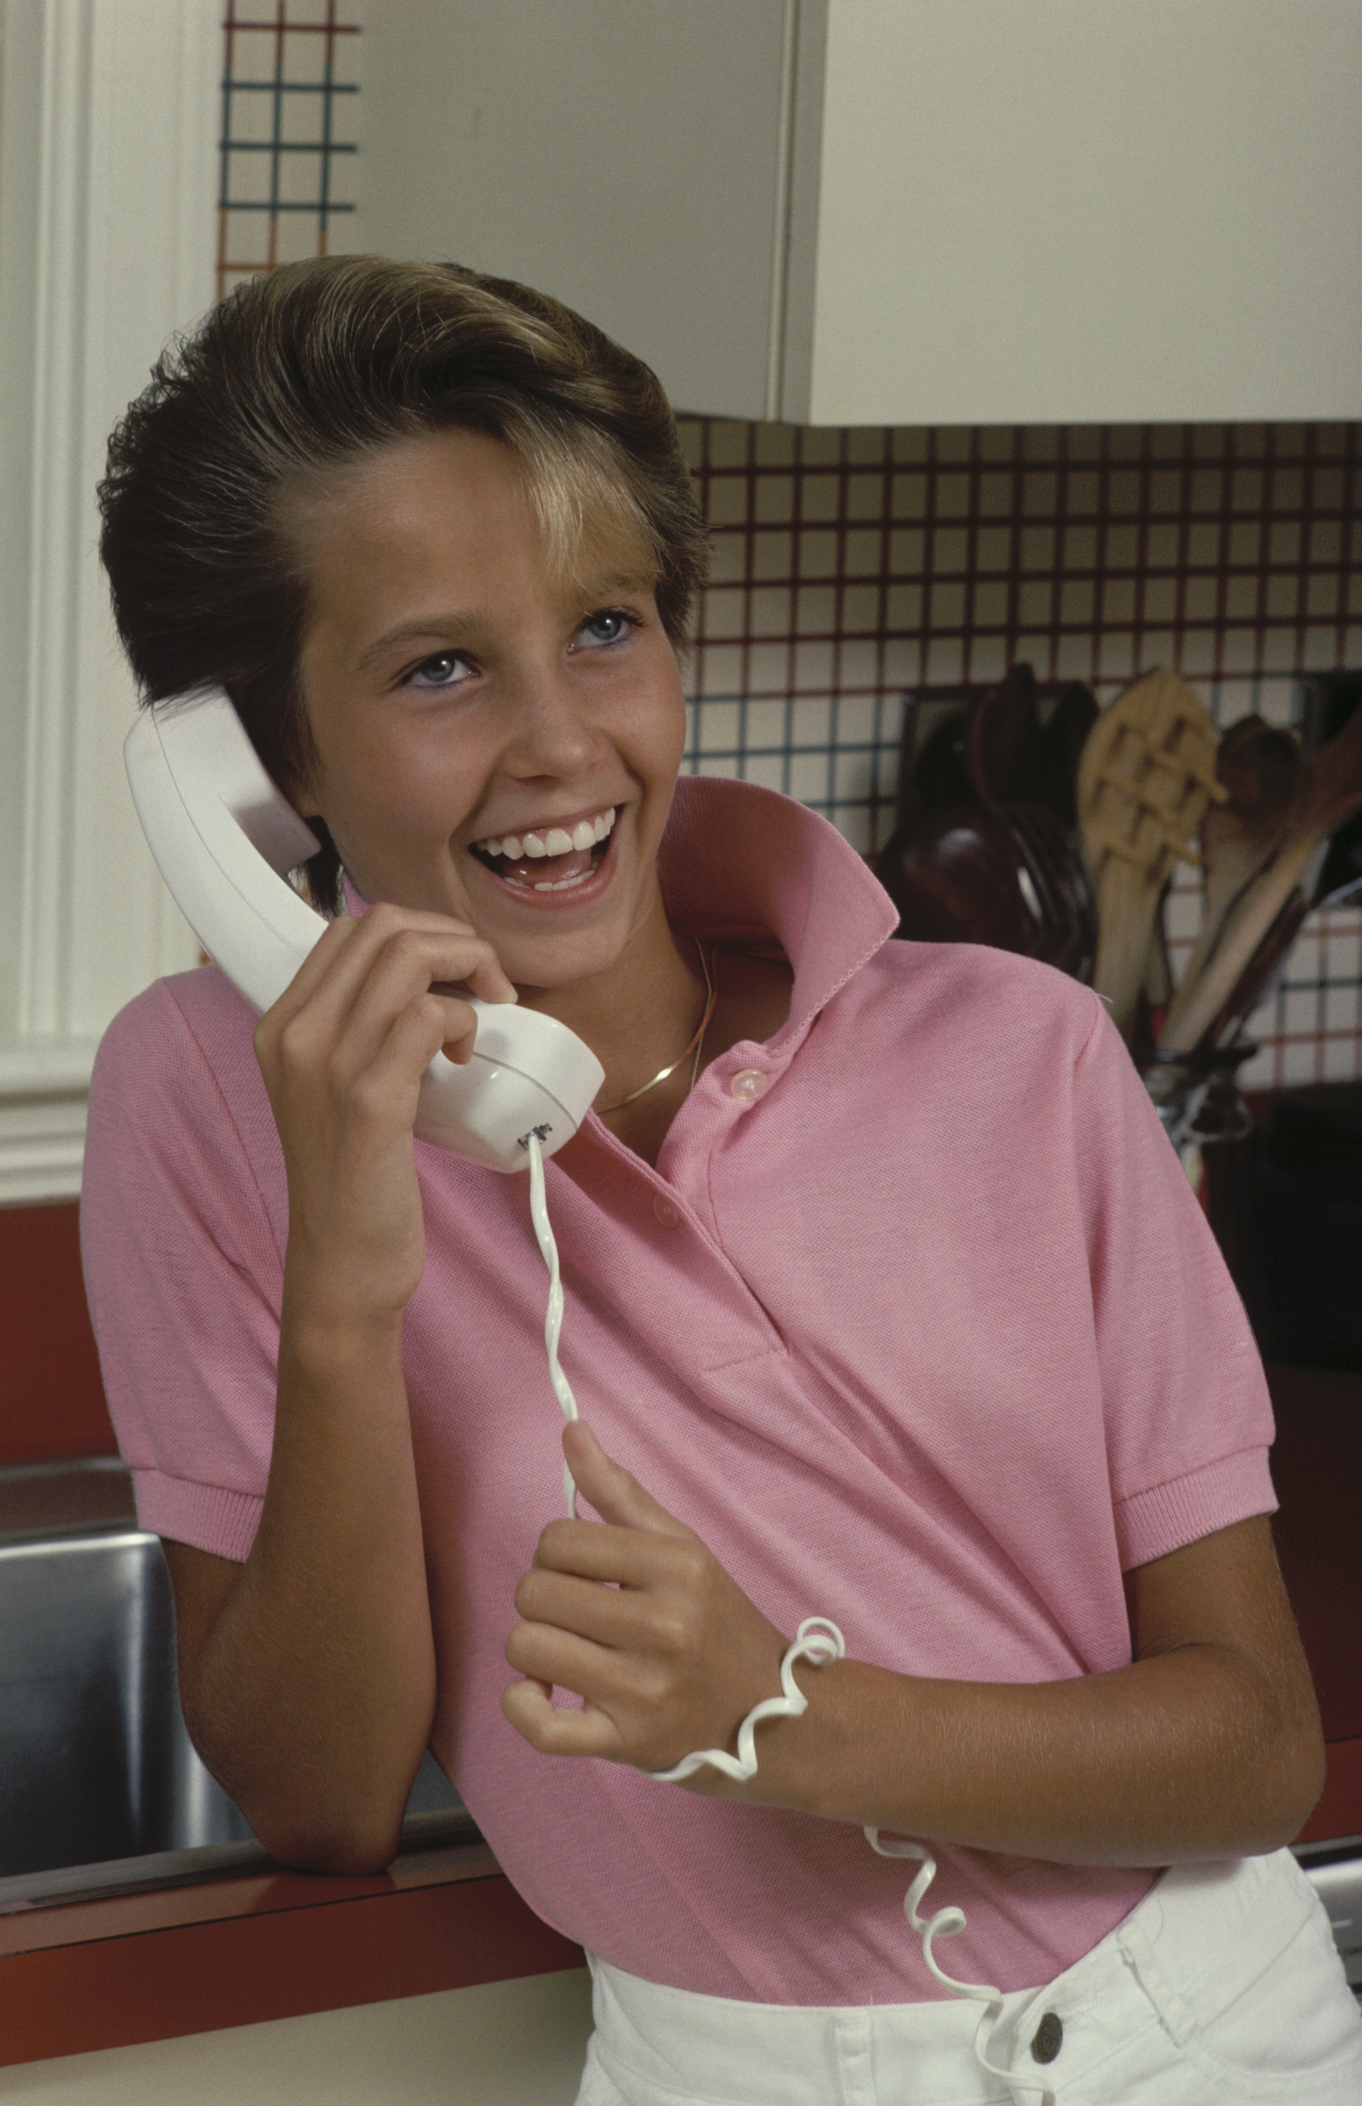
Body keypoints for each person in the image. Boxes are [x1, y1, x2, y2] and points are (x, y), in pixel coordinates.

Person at [82, 255, 1362, 2104]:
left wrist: (783, 1716)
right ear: (266, 768)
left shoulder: (1027, 1052)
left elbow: (1257, 1746)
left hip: (1202, 2039)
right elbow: (323, 1798)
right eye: (439, 666)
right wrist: (345, 1289)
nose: (561, 744)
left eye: (606, 625)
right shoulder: (209, 1094)